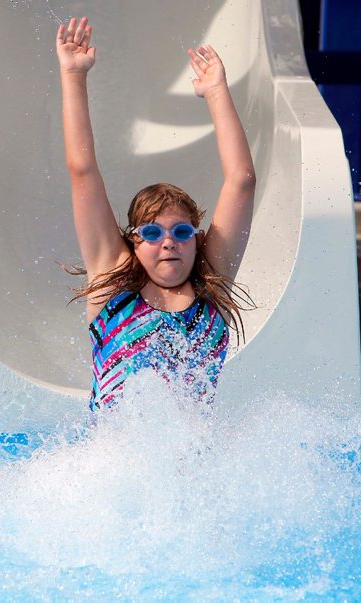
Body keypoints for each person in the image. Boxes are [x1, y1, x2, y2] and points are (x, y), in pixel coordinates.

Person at [56, 17, 256, 410]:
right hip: (115, 465)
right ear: (134, 241)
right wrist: (73, 76)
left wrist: (215, 91)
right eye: (151, 233)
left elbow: (242, 181)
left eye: (181, 232)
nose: (167, 242)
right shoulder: (111, 284)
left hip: (193, 470)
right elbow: (82, 172)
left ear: (197, 242)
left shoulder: (211, 286)